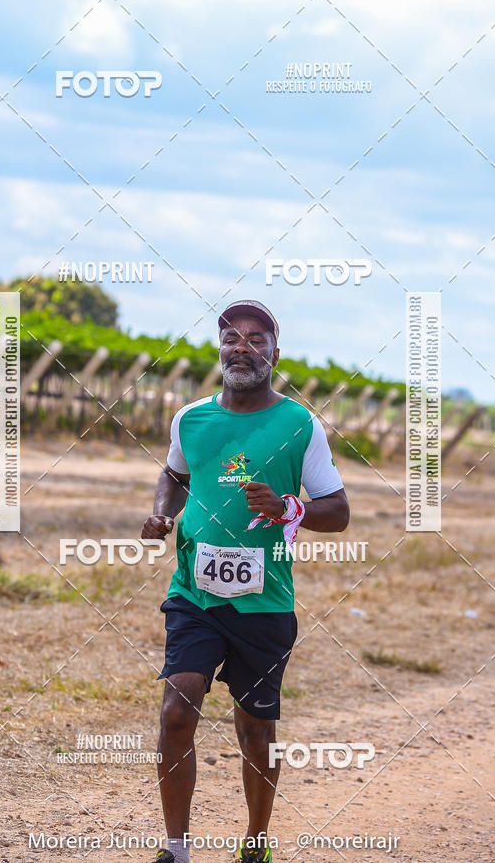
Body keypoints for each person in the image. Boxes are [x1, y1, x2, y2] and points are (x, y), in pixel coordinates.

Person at [141, 300, 350, 863]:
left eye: (257, 338)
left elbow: (338, 509)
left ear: (274, 353)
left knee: (256, 729)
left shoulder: (298, 424)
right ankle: (176, 849)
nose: (243, 347)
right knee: (177, 709)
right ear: (220, 350)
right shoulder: (191, 418)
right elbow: (174, 473)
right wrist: (163, 514)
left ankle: (255, 843)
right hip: (195, 593)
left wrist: (289, 508)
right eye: (232, 337)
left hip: (264, 602)